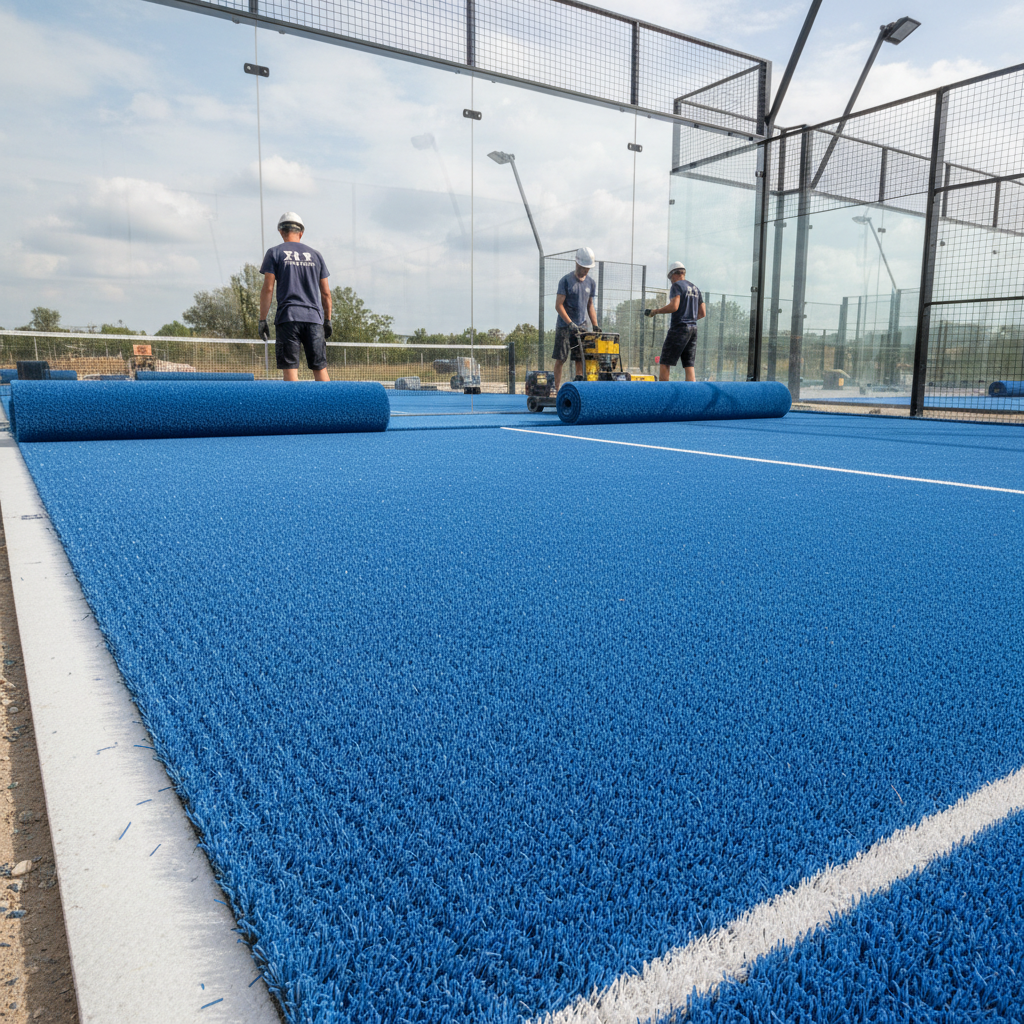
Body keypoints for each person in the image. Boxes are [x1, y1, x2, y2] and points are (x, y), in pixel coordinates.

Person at [259, 212, 332, 382]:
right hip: (314, 319)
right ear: (301, 232)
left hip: (288, 318)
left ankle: (295, 409)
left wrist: (262, 320)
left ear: (280, 231)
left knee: (290, 372)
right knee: (320, 369)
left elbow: (268, 289)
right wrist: (327, 320)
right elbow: (326, 292)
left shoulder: (275, 253)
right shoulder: (316, 255)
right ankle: (330, 408)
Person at [645, 262, 705, 381]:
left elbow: (674, 306)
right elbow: (702, 313)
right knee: (689, 364)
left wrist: (655, 311)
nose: (671, 281)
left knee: (665, 361)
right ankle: (691, 395)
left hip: (679, 328)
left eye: (670, 278)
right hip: (693, 329)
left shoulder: (677, 286)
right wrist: (690, 319)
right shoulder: (696, 288)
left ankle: (664, 395)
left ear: (673, 274)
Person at [552, 247, 600, 390]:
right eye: (584, 267)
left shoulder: (591, 283)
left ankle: (579, 388)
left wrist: (595, 325)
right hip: (564, 326)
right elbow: (558, 305)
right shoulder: (566, 281)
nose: (586, 270)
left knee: (580, 357)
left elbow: (590, 305)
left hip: (582, 326)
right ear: (577, 263)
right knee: (561, 358)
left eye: (588, 268)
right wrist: (570, 323)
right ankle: (557, 389)